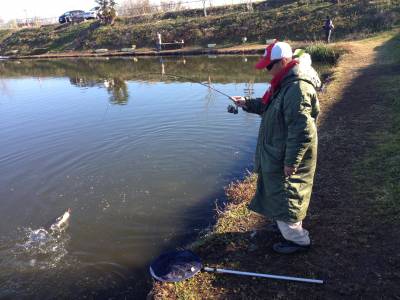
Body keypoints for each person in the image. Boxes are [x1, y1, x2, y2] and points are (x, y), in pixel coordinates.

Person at [231, 41, 321, 254]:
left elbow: (302, 131)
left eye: (269, 66)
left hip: (286, 157)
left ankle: (298, 241)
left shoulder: (297, 88)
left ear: (283, 61)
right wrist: (246, 102)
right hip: (278, 153)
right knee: (279, 194)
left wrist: (291, 162)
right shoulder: (284, 81)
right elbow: (268, 106)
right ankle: (285, 226)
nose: (266, 71)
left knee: (288, 194)